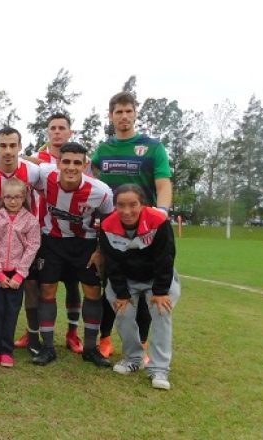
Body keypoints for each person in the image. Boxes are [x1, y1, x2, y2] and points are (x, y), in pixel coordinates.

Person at [91, 91, 173, 359]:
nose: (124, 116)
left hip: (144, 231)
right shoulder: (103, 150)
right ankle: (105, 338)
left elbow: (163, 184)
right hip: (111, 229)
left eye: (129, 111)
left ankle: (143, 343)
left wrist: (161, 214)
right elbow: (89, 179)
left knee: (145, 285)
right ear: (111, 116)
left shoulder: (153, 148)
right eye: (119, 112)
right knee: (110, 283)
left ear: (135, 114)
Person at [32, 142, 113, 367]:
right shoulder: (45, 175)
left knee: (93, 292)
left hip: (84, 244)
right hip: (52, 240)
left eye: (77, 163)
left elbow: (108, 223)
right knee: (47, 289)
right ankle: (47, 347)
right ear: (58, 163)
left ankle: (90, 349)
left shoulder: (101, 191)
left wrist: (100, 251)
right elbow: (21, 165)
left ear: (85, 166)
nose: (71, 167)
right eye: (66, 161)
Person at [16, 113, 86, 355]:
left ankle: (72, 333)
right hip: (41, 233)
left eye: (61, 128)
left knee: (72, 284)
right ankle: (32, 331)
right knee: (34, 284)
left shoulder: (80, 160)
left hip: (74, 235)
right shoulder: (39, 160)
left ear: (70, 132)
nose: (57, 132)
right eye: (53, 128)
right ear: (47, 132)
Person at [100, 184, 180, 390]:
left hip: (157, 279)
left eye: (133, 205)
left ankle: (159, 368)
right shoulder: (107, 225)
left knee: (161, 311)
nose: (127, 211)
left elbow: (165, 258)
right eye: (121, 205)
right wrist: (121, 294)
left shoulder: (158, 221)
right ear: (115, 206)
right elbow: (112, 264)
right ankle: (133, 358)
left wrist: (160, 292)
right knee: (123, 311)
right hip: (126, 279)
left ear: (143, 204)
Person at [0, 127, 41, 352]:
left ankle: (33, 337)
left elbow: (54, 176)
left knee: (30, 285)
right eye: (3, 145)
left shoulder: (33, 171)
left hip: (24, 238)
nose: (8, 151)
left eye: (13, 145)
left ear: (20, 147)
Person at [0, 178, 40, 368]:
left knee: (11, 312)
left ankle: (6, 351)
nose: (13, 201)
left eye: (17, 197)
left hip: (17, 275)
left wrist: (20, 275)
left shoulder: (30, 221)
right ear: (2, 198)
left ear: (23, 197)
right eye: (8, 197)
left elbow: (32, 248)